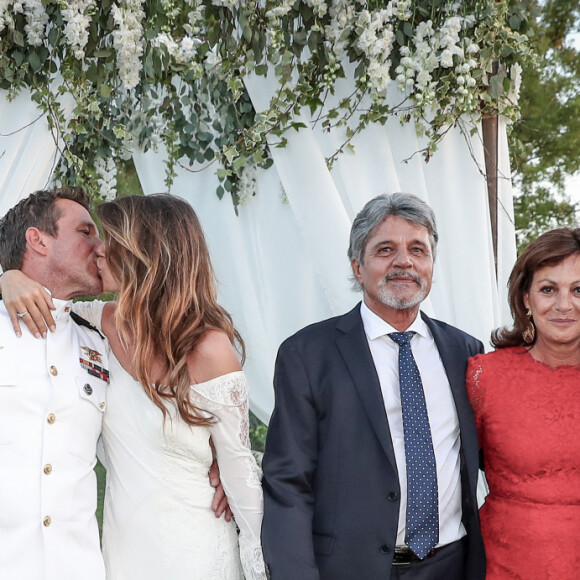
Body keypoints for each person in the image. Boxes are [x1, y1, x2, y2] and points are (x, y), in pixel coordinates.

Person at [1, 192, 266, 580]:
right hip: (119, 557)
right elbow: (52, 304)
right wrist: (7, 276)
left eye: (109, 238)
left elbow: (239, 473)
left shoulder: (197, 347)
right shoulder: (99, 326)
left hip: (189, 549)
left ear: (147, 254)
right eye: (88, 232)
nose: (99, 249)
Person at [261, 192, 486, 579]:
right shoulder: (307, 354)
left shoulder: (465, 352)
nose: (404, 261)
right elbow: (287, 483)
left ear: (432, 264)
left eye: (418, 249)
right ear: (357, 267)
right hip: (348, 570)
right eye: (385, 249)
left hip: (451, 566)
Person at [466, 228, 580, 579]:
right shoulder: (485, 376)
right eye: (548, 289)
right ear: (526, 298)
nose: (564, 304)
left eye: (579, 290)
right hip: (507, 565)